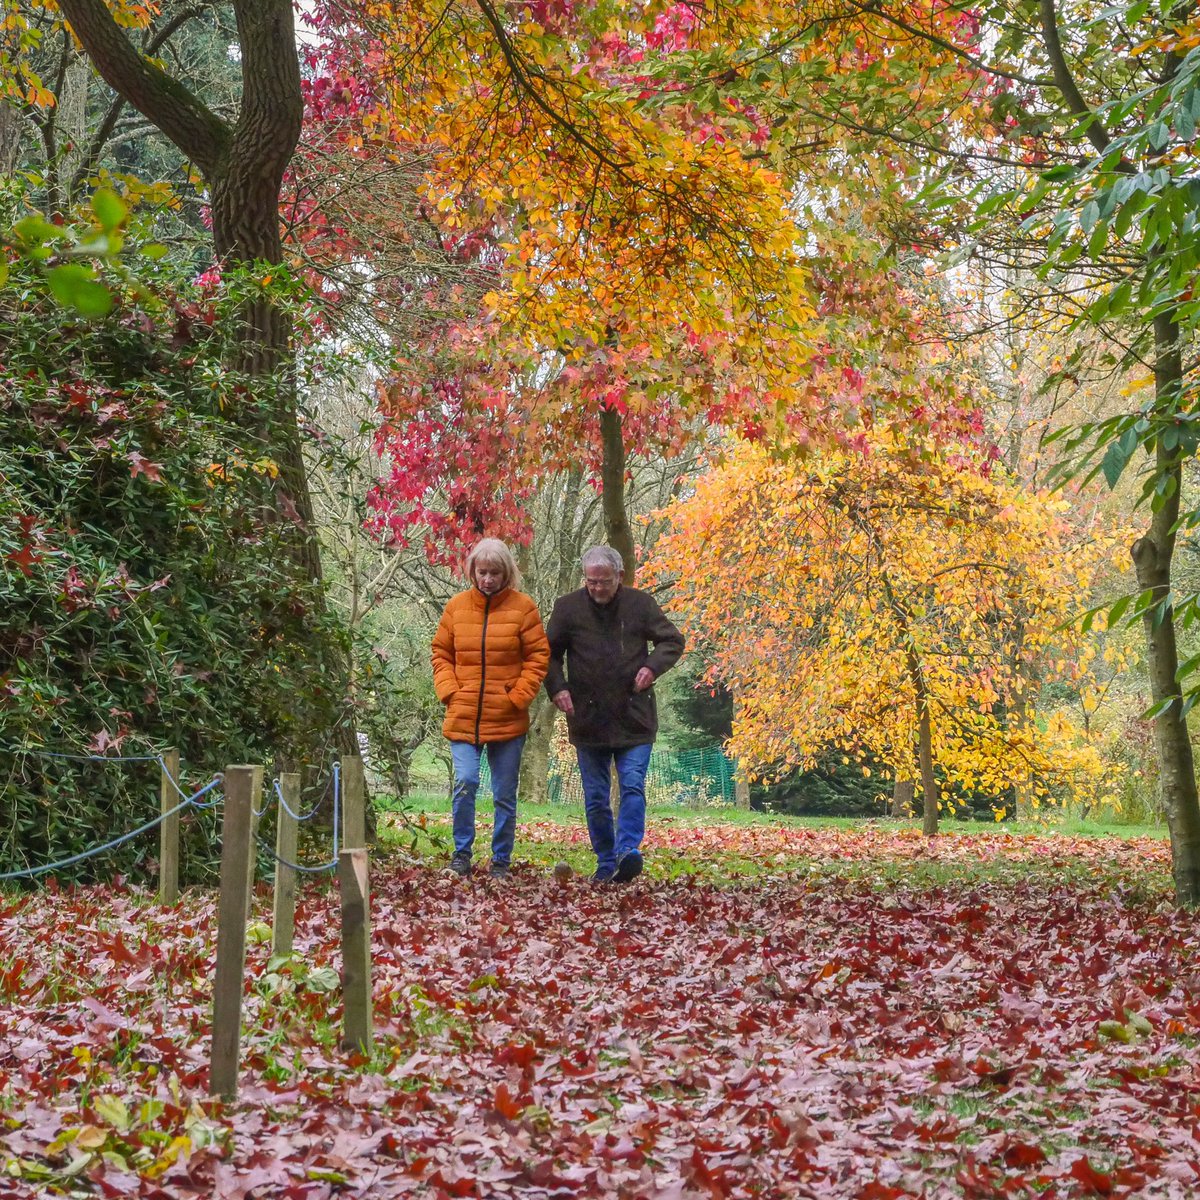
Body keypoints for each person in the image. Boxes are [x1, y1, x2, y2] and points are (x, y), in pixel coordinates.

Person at [545, 545, 685, 883]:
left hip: (633, 715)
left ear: (619, 577)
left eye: (603, 582)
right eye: (590, 582)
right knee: (595, 796)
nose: (596, 588)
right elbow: (546, 655)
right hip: (587, 718)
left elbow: (672, 641)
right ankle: (606, 861)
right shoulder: (567, 608)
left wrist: (652, 668)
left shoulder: (641, 605)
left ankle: (627, 852)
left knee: (633, 785)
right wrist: (558, 688)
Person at [431, 538, 550, 879]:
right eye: (482, 572)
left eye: (494, 573)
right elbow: (441, 653)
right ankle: (461, 855)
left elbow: (538, 658)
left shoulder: (523, 608)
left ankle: (501, 860)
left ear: (506, 573)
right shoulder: (455, 607)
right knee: (465, 782)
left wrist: (518, 696)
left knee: (504, 794)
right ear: (472, 571)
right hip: (463, 714)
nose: (487, 579)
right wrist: (451, 691)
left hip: (508, 718)